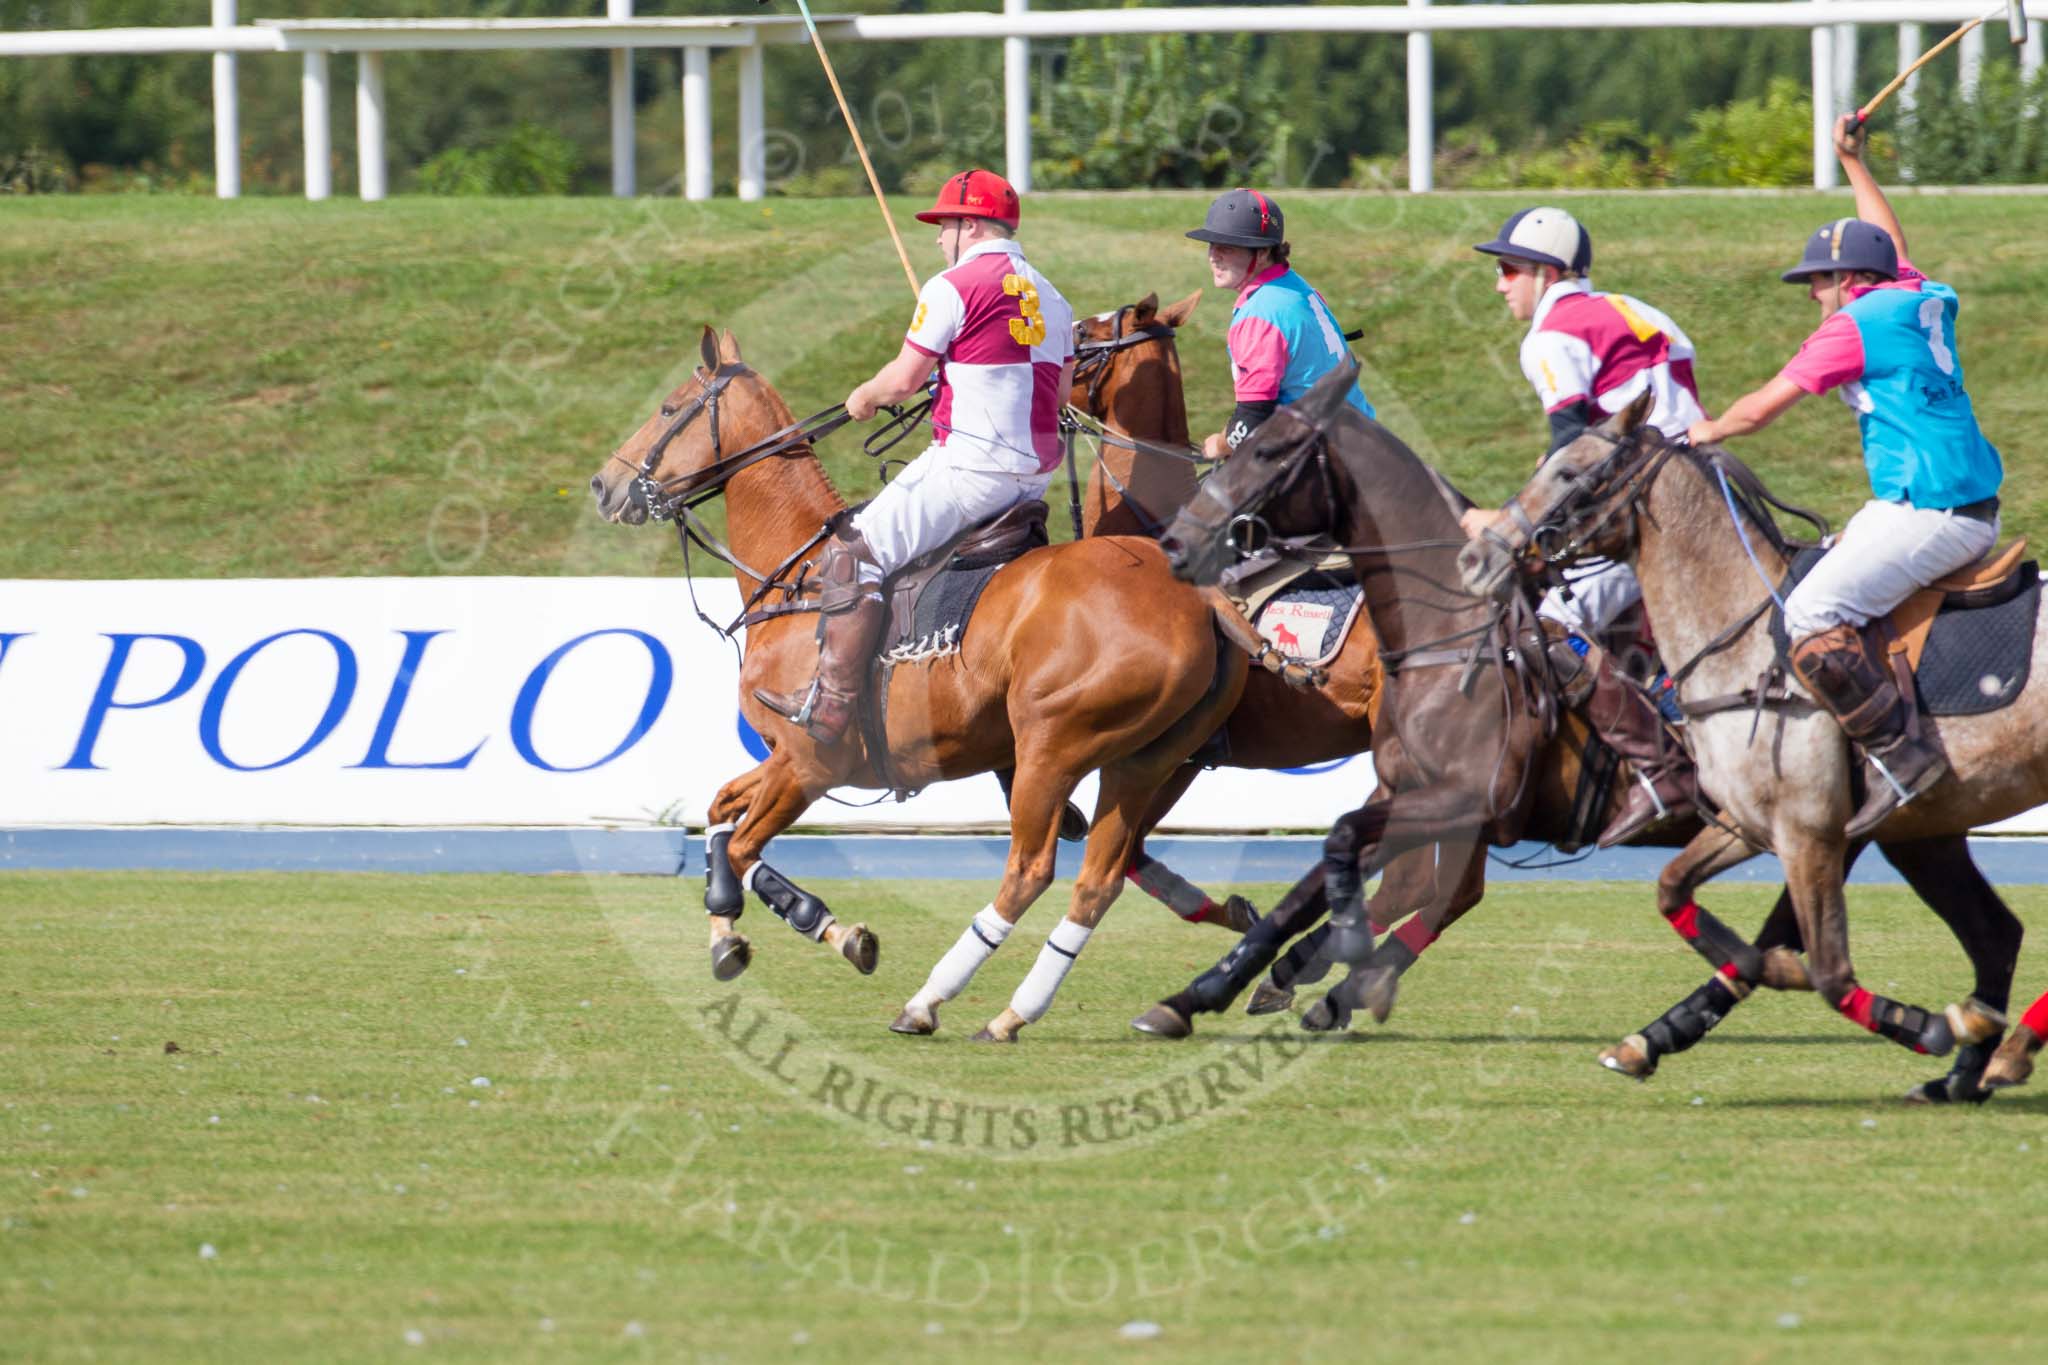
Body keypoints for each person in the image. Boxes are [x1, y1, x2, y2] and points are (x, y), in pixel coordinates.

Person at [1686, 115, 2003, 839]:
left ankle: (1901, 754)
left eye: (1818, 281)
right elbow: (1894, 245)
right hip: (1953, 500)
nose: (1812, 295)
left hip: (1930, 510)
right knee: (1812, 580)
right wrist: (1852, 162)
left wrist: (1700, 430)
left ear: (1850, 281)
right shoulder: (1917, 296)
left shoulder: (1855, 324)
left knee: (1808, 615)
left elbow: (1764, 407)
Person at [754, 168, 1076, 745]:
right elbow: (1060, 394)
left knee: (852, 552)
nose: (936, 238)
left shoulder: (950, 287)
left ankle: (830, 705)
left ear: (970, 225)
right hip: (1031, 481)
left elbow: (902, 380)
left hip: (971, 470)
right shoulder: (1055, 297)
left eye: (943, 225)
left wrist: (864, 396)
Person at [1460, 205, 1704, 847]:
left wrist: (1502, 522)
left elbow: (1573, 456)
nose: (1499, 283)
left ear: (1546, 272)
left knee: (1552, 629)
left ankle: (1658, 769)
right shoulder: (1637, 309)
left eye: (1509, 268)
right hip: (1702, 492)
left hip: (1645, 508)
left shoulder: (1549, 336)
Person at [1185, 188, 1375, 456]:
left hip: (1320, 454)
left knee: (1209, 495)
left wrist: (1218, 444)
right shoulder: (1293, 285)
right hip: (1365, 437)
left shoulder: (1259, 316)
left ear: (1262, 253)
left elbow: (1251, 423)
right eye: (1212, 245)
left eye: (1226, 247)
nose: (1213, 256)